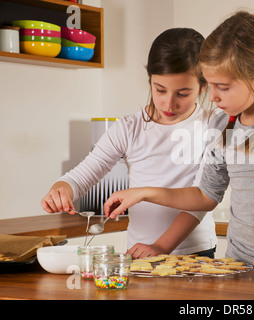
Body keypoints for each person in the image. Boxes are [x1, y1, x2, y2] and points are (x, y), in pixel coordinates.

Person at [103, 11, 254, 282]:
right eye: (210, 84)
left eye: (222, 87)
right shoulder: (223, 126)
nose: (212, 95)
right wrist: (143, 193)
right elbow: (206, 196)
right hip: (239, 268)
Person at [41, 28, 217, 259]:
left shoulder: (212, 127)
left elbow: (202, 199)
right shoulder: (129, 127)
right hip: (139, 251)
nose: (168, 103)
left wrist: (161, 246)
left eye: (182, 94)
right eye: (160, 89)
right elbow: (86, 172)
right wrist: (63, 187)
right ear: (150, 80)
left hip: (195, 252)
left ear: (203, 86)